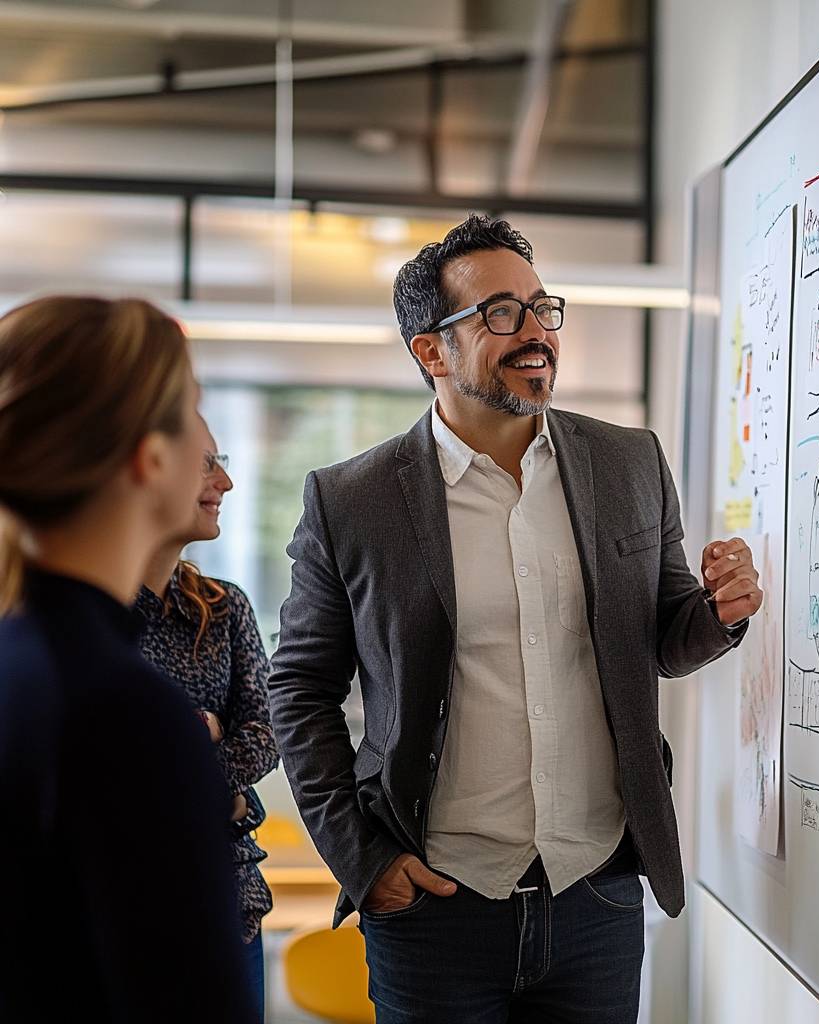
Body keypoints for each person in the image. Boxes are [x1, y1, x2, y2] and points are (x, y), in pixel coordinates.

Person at [269, 215, 764, 1023]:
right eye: (501, 312)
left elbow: (665, 636)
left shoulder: (628, 460)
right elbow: (297, 689)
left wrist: (717, 611)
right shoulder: (352, 501)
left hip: (595, 899)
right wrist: (363, 860)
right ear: (431, 350)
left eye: (542, 307)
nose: (536, 332)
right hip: (434, 910)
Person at [0, 296, 256, 1023]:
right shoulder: (124, 713)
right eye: (195, 413)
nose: (218, 465)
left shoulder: (23, 658)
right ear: (150, 458)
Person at [136, 428, 278, 1019]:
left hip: (226, 902)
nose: (225, 482)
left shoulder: (223, 606)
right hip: (119, 903)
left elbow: (266, 735)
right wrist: (226, 792)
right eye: (206, 465)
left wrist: (191, 773)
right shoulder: (83, 620)